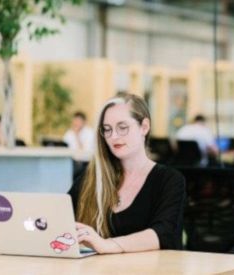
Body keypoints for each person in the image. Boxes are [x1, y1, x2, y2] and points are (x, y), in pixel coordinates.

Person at [68, 93, 186, 254]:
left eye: (122, 128)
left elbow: (163, 233)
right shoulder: (92, 179)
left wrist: (106, 244)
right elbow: (61, 217)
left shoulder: (169, 180)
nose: (114, 136)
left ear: (144, 127)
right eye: (107, 130)